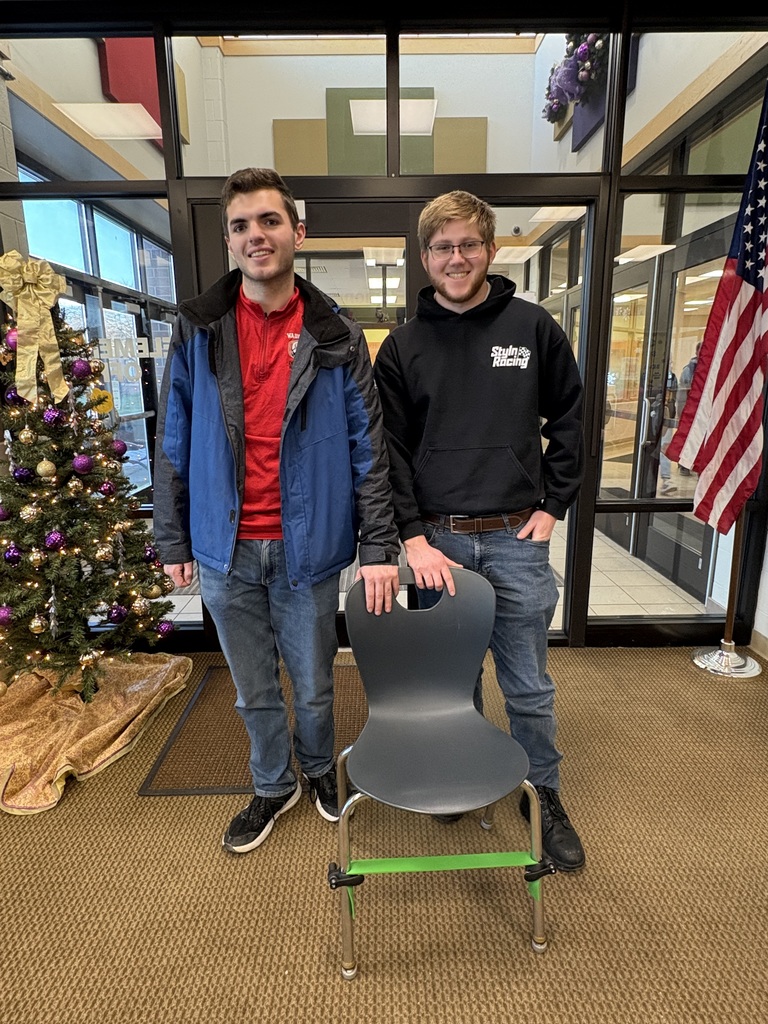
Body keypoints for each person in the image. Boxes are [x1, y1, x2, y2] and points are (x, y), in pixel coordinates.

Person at [154, 168, 400, 854]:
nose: (255, 235)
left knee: (316, 684)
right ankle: (272, 782)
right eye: (241, 225)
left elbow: (367, 451)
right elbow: (172, 439)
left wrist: (379, 548)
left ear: (298, 231)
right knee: (252, 688)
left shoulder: (337, 335)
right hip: (225, 546)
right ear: (229, 241)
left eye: (268, 221)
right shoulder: (198, 329)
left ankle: (319, 769)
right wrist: (172, 536)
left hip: (309, 547)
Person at [373, 190, 586, 871]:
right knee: (450, 679)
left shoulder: (533, 328)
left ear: (491, 250)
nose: (456, 257)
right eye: (442, 247)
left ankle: (541, 793)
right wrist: (410, 536)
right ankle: (461, 774)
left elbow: (574, 419)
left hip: (515, 538)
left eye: (468, 244)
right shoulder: (403, 347)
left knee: (527, 682)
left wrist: (555, 503)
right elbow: (390, 454)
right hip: (437, 545)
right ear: (427, 257)